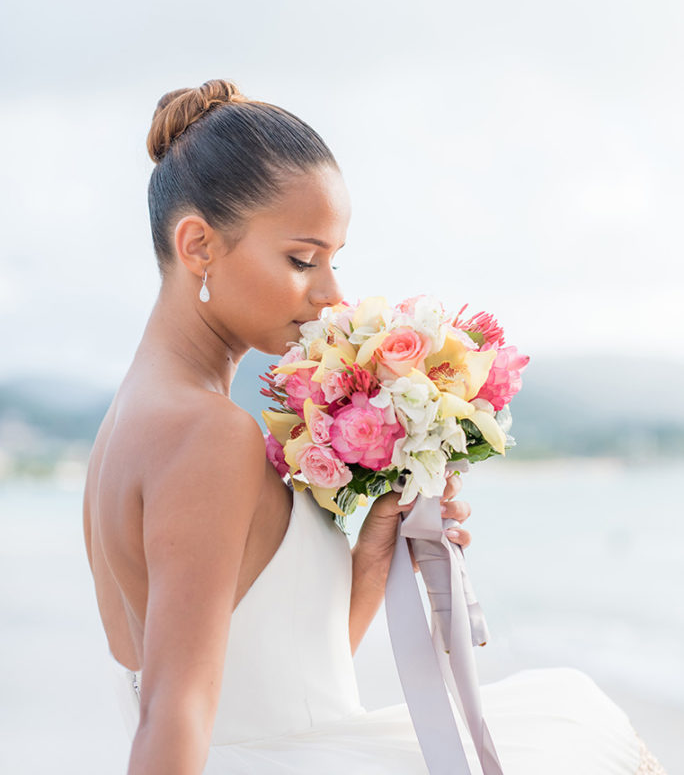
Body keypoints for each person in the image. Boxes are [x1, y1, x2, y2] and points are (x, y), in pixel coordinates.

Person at [83, 80, 665, 775]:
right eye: (303, 259)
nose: (331, 292)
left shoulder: (133, 421)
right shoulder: (207, 433)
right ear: (199, 246)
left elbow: (283, 685)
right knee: (575, 721)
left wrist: (372, 552)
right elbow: (174, 715)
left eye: (335, 259)